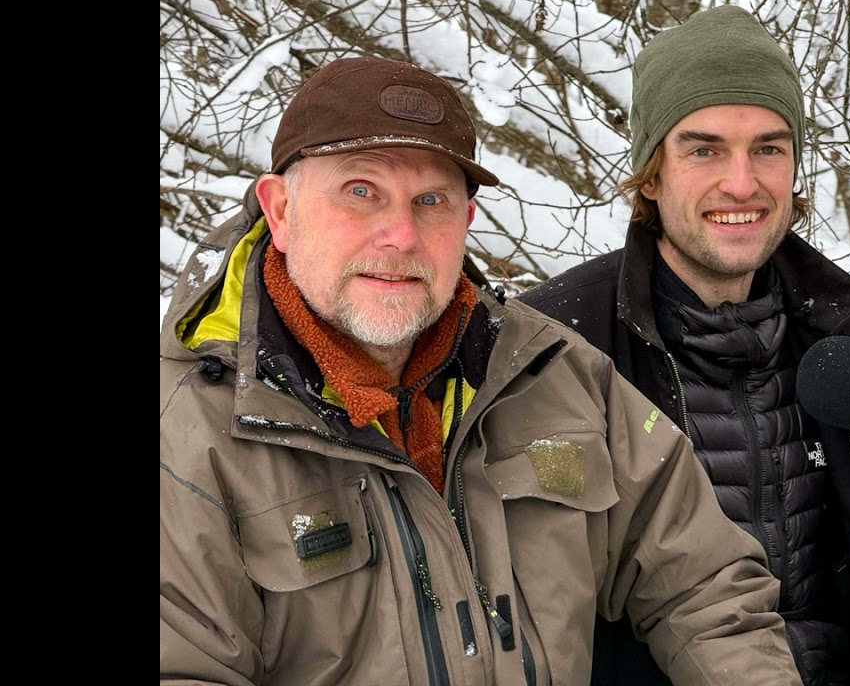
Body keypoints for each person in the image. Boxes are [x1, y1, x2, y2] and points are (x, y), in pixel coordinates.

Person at [159, 56, 805, 686]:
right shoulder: (189, 431)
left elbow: (709, 587)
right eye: (362, 192)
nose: (401, 236)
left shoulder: (554, 376)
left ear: (466, 221)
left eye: (431, 200)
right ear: (279, 210)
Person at [518, 5, 850, 686]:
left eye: (768, 147)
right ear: (649, 172)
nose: (741, 182)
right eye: (703, 149)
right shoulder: (562, 340)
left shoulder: (835, 327)